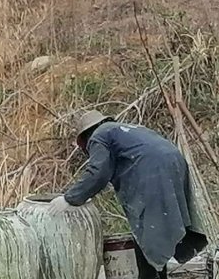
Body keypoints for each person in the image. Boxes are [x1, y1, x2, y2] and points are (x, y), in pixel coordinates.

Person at [47, 110, 207, 279]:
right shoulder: (125, 130)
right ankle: (158, 273)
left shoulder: (99, 135)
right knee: (160, 229)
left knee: (148, 232)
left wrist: (69, 198)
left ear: (86, 136)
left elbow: (98, 172)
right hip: (174, 162)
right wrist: (87, 192)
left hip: (152, 170)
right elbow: (107, 170)